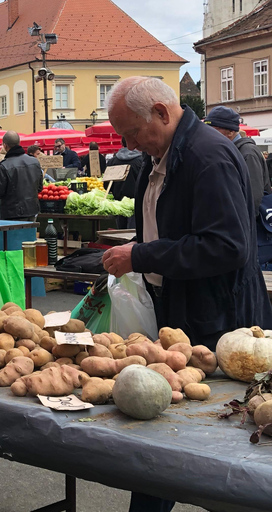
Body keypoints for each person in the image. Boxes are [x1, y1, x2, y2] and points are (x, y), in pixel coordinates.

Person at [101, 76, 272, 512]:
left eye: (133, 132)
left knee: (222, 439)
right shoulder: (162, 154)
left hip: (218, 317)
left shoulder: (207, 156)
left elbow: (228, 246)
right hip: (182, 310)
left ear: (161, 112)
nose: (130, 144)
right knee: (166, 432)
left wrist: (142, 255)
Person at [204, 106, 271, 212]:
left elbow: (253, 198)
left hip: (250, 224)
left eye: (214, 130)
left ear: (230, 132)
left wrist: (242, 226)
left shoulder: (248, 153)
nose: (208, 135)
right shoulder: (230, 151)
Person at [0, 131, 43, 221]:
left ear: (5, 145)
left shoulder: (4, 165)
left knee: (13, 235)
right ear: (19, 143)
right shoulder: (34, 162)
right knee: (29, 235)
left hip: (12, 213)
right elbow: (39, 187)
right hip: (32, 209)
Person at [107, 137, 144, 228]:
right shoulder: (141, 161)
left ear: (121, 143)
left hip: (118, 204)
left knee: (121, 232)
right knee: (133, 233)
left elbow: (106, 185)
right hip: (136, 204)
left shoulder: (112, 161)